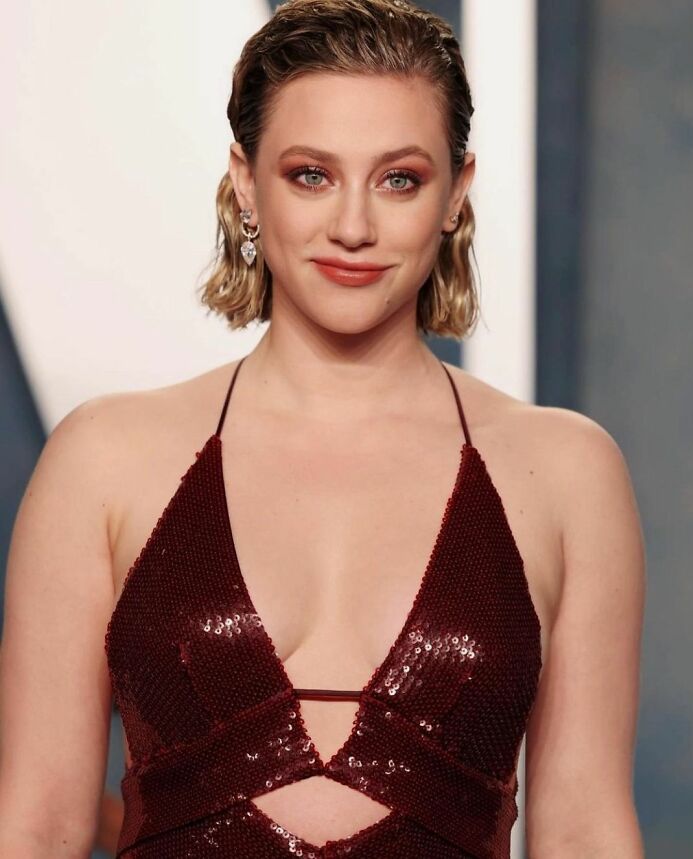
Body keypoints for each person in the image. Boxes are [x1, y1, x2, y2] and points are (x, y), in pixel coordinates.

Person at [0, 1, 646, 856]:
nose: (352, 226)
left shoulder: (566, 472)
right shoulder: (103, 460)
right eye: (311, 174)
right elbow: (37, 825)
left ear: (456, 192)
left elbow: (586, 829)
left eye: (399, 179)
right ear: (245, 181)